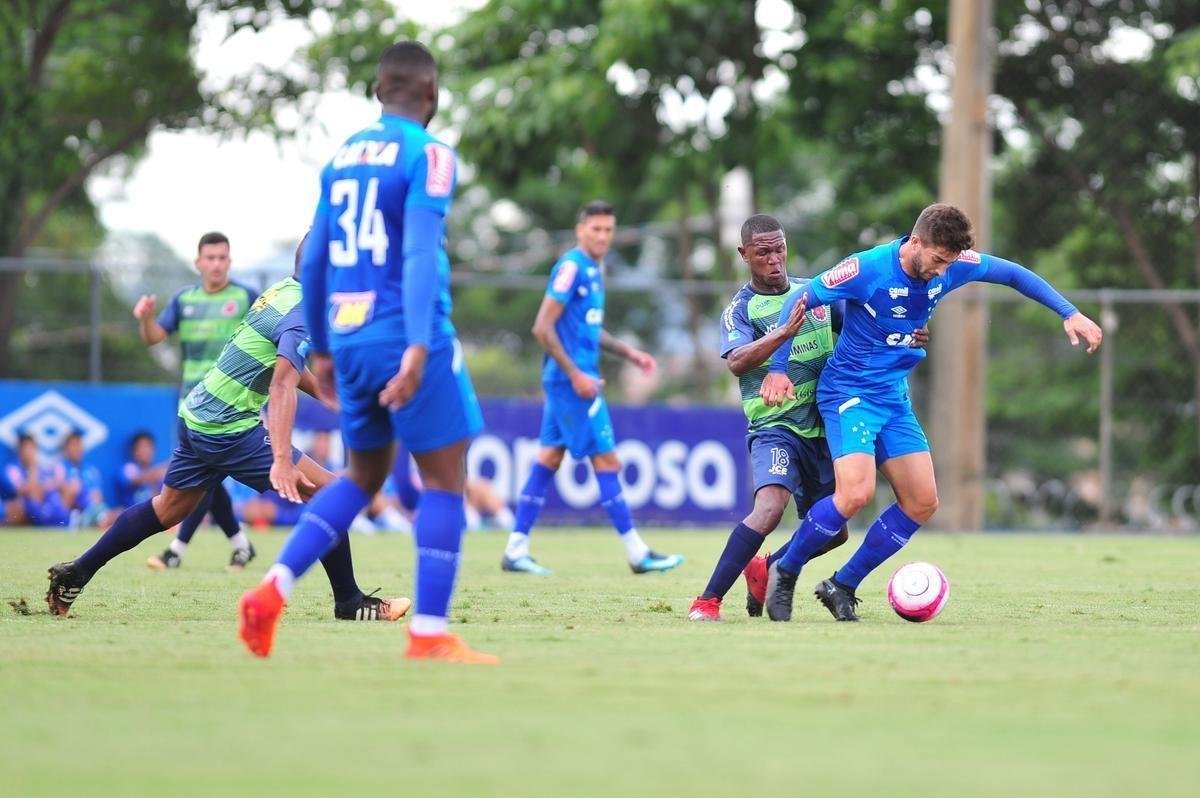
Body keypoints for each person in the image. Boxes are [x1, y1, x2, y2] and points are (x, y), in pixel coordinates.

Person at [237, 42, 496, 664]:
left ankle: (272, 591)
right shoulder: (429, 153)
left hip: (346, 337)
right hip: (407, 334)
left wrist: (322, 350)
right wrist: (414, 343)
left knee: (362, 474)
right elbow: (416, 253)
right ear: (430, 92)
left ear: (378, 91)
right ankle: (429, 634)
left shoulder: (342, 158)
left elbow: (317, 255)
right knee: (443, 480)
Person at [760, 203, 1103, 621]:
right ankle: (785, 568)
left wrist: (1069, 312)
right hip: (849, 393)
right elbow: (800, 297)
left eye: (951, 263)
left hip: (893, 399)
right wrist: (778, 369)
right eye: (939, 260)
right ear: (916, 242)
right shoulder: (865, 269)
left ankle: (842, 584)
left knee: (922, 502)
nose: (944, 271)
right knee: (855, 494)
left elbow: (1012, 273)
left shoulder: (952, 264)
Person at [46, 242, 411, 624]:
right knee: (331, 493)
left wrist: (327, 393)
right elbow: (282, 385)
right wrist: (283, 460)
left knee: (167, 509)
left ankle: (76, 573)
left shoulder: (285, 291)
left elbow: (281, 363)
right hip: (227, 426)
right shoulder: (304, 311)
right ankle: (349, 602)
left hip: (199, 414)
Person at [501, 201, 684, 577]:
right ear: (580, 229)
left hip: (572, 378)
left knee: (548, 459)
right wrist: (576, 375)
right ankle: (637, 553)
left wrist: (628, 352)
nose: (602, 236)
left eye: (608, 230)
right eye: (595, 229)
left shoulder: (594, 269)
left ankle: (515, 549)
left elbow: (587, 328)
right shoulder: (571, 267)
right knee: (608, 461)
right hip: (574, 382)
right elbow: (542, 327)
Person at [687, 214, 851, 620]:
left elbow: (862, 329)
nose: (775, 259)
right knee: (769, 508)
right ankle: (707, 601)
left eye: (779, 249)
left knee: (836, 531)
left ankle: (766, 566)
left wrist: (906, 332)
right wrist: (782, 332)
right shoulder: (740, 309)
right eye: (763, 252)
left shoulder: (814, 294)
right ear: (744, 255)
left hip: (823, 429)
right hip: (775, 428)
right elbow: (738, 362)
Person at [133, 231, 258, 571]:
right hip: (191, 407)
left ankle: (176, 550)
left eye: (222, 258)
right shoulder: (184, 300)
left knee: (202, 479)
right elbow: (153, 338)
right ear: (198, 263)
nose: (217, 264)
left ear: (229, 261)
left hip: (232, 408)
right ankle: (241, 545)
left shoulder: (246, 297)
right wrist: (145, 318)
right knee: (207, 479)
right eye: (210, 258)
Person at [5, 433, 70, 527]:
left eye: (32, 448)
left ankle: (64, 520)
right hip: (23, 508)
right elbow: (26, 491)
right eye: (26, 448)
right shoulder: (13, 469)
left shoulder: (44, 470)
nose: (29, 452)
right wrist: (32, 468)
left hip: (43, 505)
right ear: (20, 451)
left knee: (57, 497)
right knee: (27, 502)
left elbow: (51, 488)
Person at [59, 429, 115, 529]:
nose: (77, 448)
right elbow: (63, 500)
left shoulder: (92, 470)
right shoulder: (60, 468)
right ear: (66, 448)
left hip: (94, 510)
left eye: (79, 444)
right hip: (74, 513)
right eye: (73, 445)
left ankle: (105, 520)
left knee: (115, 513)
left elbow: (98, 497)